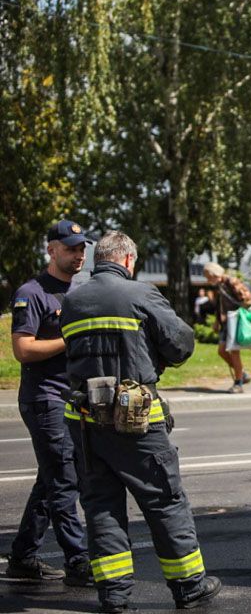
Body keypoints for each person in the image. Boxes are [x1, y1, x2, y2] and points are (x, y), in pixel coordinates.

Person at [61, 231, 222, 612]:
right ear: (129, 260)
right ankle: (189, 587)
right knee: (164, 502)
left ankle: (114, 597)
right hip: (136, 421)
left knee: (101, 507)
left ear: (100, 259)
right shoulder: (140, 294)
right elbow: (180, 343)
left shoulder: (72, 300)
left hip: (85, 422)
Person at [5, 220, 93, 586]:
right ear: (51, 250)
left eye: (81, 248)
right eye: (71, 248)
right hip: (45, 399)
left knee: (50, 479)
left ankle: (23, 555)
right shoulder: (33, 292)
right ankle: (78, 561)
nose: (78, 255)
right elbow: (22, 350)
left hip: (71, 397)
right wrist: (69, 339)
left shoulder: (79, 292)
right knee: (64, 481)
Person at [201, 263, 251, 394]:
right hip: (226, 323)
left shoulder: (231, 281)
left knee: (234, 352)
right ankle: (242, 373)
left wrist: (239, 312)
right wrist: (216, 321)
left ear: (215, 274)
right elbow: (220, 305)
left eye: (209, 277)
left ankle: (238, 384)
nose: (208, 280)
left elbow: (248, 299)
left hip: (235, 321)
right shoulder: (220, 285)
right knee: (221, 351)